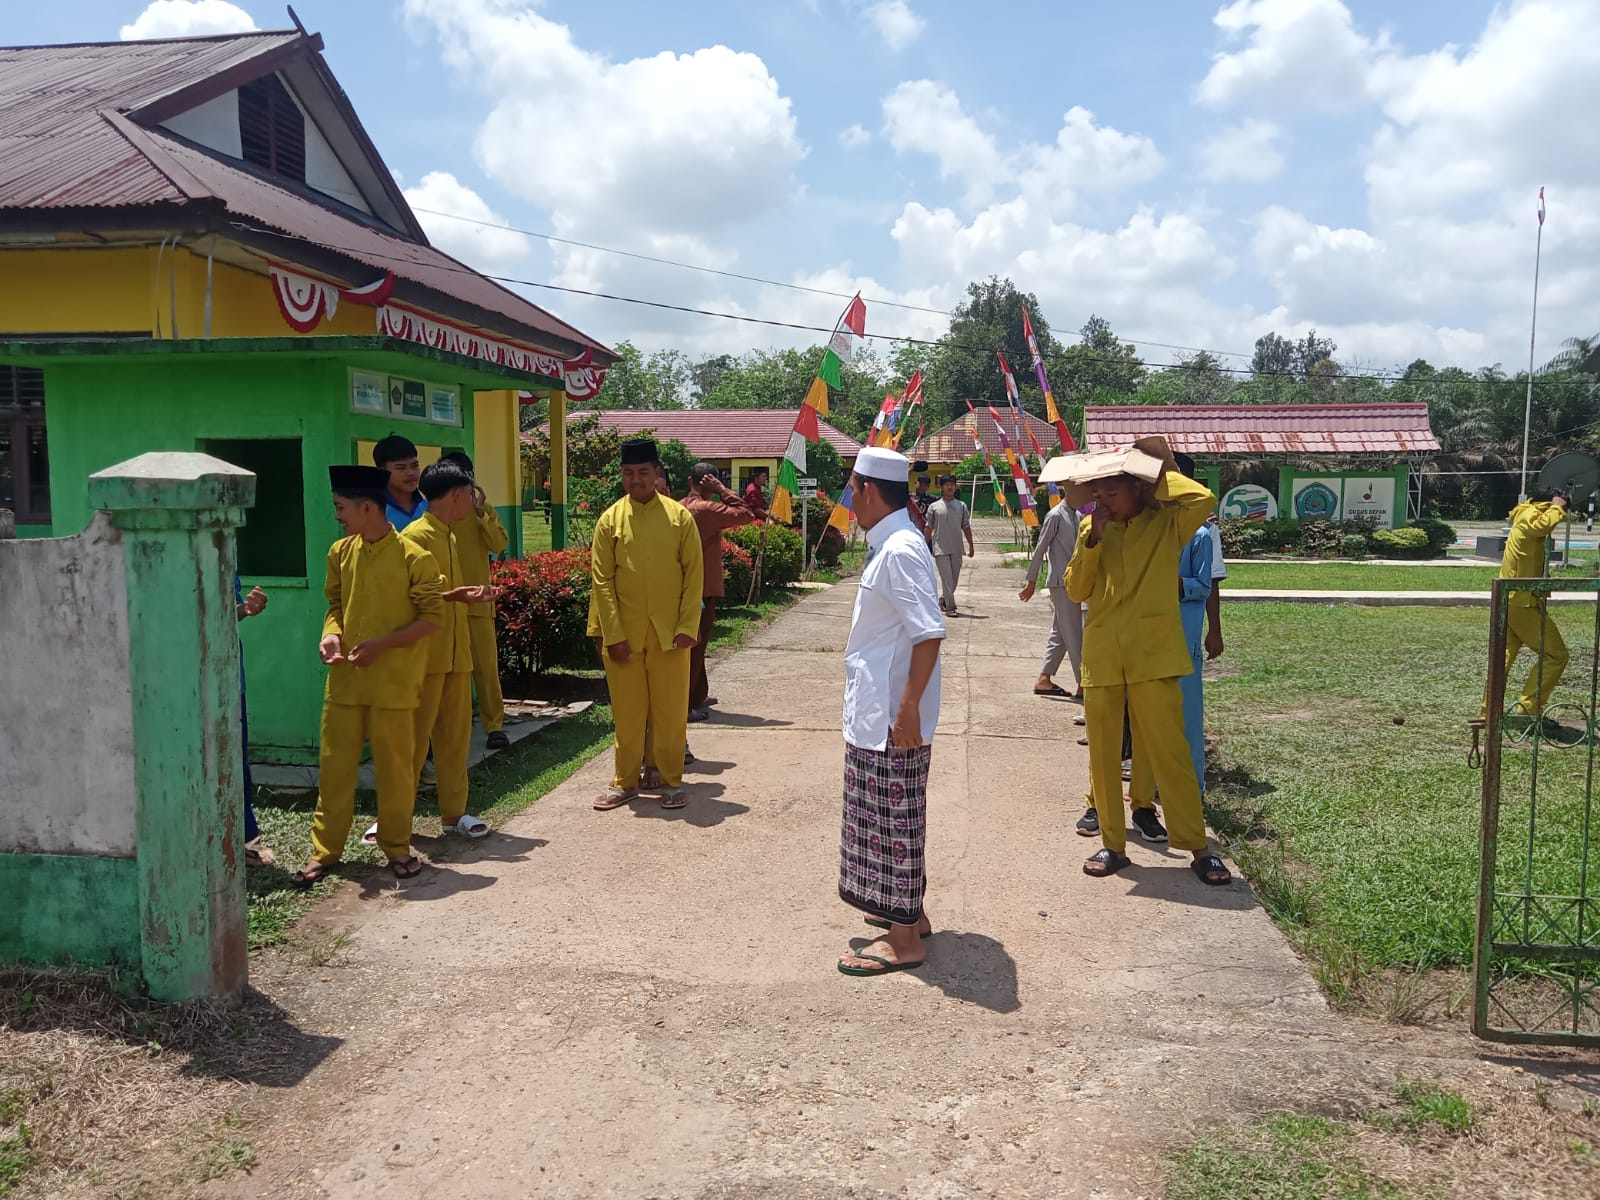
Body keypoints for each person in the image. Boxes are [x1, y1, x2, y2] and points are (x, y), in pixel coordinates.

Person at [1064, 437, 1231, 886]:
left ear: (1139, 489)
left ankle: (1197, 848)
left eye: (1111, 493)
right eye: (1097, 495)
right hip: (1103, 658)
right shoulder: (1090, 531)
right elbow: (1076, 589)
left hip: (1153, 657)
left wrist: (1151, 470)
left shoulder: (1169, 524)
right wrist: (1095, 537)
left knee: (1169, 753)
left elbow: (1204, 496)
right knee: (1102, 756)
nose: (1102, 503)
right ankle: (1114, 846)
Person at [293, 466, 444, 887]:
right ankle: (325, 851)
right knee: (334, 768)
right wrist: (331, 635)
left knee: (396, 769)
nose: (338, 516)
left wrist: (382, 645)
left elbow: (432, 618)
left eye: (341, 508)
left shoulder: (415, 557)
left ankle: (396, 846)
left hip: (394, 683)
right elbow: (335, 606)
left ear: (366, 507)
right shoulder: (340, 552)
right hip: (345, 683)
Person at [836, 446, 946, 977]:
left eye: (851, 489)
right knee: (886, 820)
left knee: (894, 823)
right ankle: (911, 916)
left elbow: (928, 635)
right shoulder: (895, 543)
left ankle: (905, 942)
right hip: (877, 712)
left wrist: (907, 713)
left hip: (890, 721)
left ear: (869, 491)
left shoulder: (899, 549)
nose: (848, 499)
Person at [591, 439, 704, 811]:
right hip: (625, 632)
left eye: (643, 473)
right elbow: (602, 582)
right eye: (628, 474)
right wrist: (612, 634)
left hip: (671, 632)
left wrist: (689, 624)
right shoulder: (610, 520)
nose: (635, 480)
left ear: (657, 474)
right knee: (627, 712)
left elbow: (693, 574)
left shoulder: (678, 517)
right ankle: (625, 781)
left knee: (670, 711)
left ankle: (670, 780)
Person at [390, 460, 499, 841]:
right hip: (427, 658)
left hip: (457, 654)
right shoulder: (414, 538)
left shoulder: (449, 534)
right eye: (469, 494)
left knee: (455, 741)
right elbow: (408, 598)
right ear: (456, 495)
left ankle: (455, 814)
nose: (471, 500)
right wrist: (457, 595)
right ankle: (395, 820)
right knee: (416, 744)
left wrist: (465, 596)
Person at [1118, 452, 1216, 842]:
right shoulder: (1144, 526)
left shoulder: (1201, 534)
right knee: (1144, 720)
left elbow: (1205, 585)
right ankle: (1147, 788)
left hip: (1183, 633)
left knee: (1186, 718)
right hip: (1146, 635)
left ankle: (1192, 789)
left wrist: (1171, 585)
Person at [1483, 486, 1571, 730]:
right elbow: (1541, 526)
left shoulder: (1524, 513)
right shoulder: (1531, 516)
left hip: (1513, 600)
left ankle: (1488, 714)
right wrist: (1557, 505)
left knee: (1502, 659)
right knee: (1556, 655)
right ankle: (1527, 711)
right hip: (1521, 602)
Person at [440, 451, 512, 749]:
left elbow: (499, 543)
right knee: (446, 671)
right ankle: (447, 727)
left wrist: (482, 514)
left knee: (485, 668)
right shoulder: (434, 513)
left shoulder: (481, 509)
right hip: (443, 604)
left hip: (478, 602)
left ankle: (494, 726)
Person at [683, 462, 755, 722]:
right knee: (694, 648)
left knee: (696, 646)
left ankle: (698, 694)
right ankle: (685, 704)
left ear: (690, 479)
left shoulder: (680, 505)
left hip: (687, 587)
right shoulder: (705, 508)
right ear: (710, 483)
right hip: (701, 588)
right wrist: (723, 489)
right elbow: (745, 513)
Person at [1019, 496, 1082, 699]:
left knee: (1060, 633)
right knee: (1073, 634)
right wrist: (1031, 581)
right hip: (1061, 583)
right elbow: (1040, 549)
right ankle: (1083, 683)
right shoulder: (1055, 515)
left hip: (1074, 582)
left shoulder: (1077, 515)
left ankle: (1044, 679)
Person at [236, 578, 274, 867]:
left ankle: (245, 840)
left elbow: (228, 610)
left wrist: (246, 609)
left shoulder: (220, 548)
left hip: (225, 673)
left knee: (235, 761)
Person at [925, 474, 975, 616]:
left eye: (952, 484)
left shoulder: (961, 506)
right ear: (941, 487)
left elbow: (966, 526)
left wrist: (971, 545)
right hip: (940, 548)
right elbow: (929, 528)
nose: (950, 487)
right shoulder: (934, 507)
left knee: (954, 580)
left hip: (957, 548)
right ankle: (950, 607)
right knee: (946, 578)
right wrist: (924, 546)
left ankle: (943, 600)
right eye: (947, 484)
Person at [374, 433, 428, 531]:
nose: (411, 473)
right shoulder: (374, 513)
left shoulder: (429, 508)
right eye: (401, 468)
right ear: (382, 471)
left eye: (415, 466)